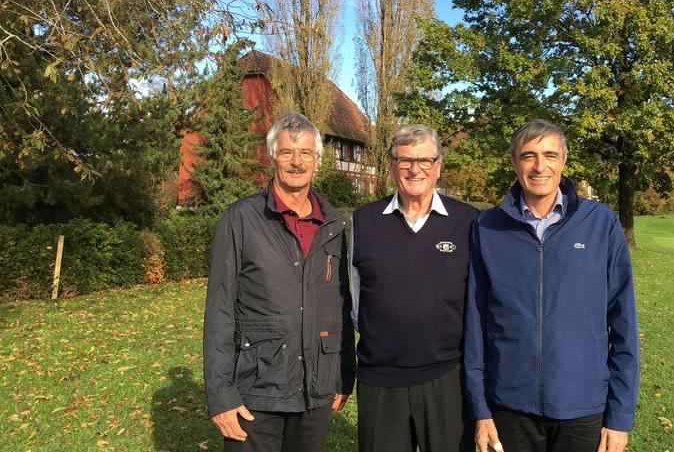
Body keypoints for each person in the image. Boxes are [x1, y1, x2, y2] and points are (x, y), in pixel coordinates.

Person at [464, 119, 640, 452]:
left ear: (564, 160)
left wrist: (619, 415)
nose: (539, 166)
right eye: (528, 156)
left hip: (583, 407)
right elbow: (475, 323)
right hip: (509, 407)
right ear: (514, 162)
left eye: (550, 155)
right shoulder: (487, 228)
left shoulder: (601, 224)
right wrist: (480, 408)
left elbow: (624, 325)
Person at [203, 111, 355, 452]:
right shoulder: (241, 219)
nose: (296, 162)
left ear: (317, 160)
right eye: (287, 152)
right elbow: (220, 309)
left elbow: (339, 303)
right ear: (272, 157)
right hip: (257, 388)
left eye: (305, 153)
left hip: (316, 389)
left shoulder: (333, 225)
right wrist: (221, 394)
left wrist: (344, 373)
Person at [349, 124, 478, 452]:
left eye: (425, 161)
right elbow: (354, 300)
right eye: (405, 160)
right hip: (380, 380)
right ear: (392, 165)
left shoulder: (467, 222)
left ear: (439, 165)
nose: (415, 169)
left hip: (447, 377)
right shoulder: (364, 221)